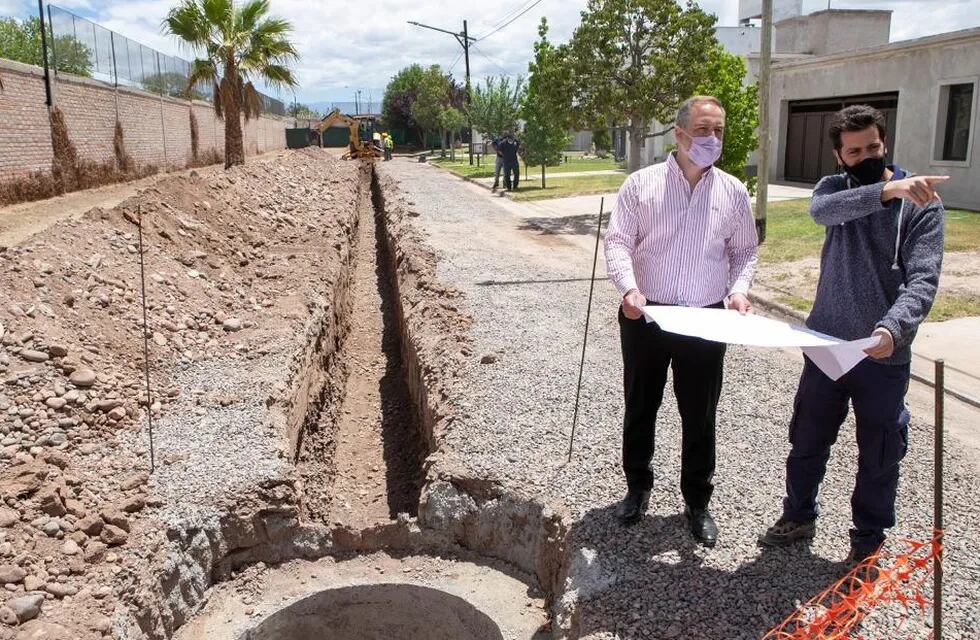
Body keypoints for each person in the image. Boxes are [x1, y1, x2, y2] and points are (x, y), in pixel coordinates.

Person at [761, 105, 946, 564]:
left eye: (874, 147)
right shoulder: (833, 189)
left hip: (882, 354)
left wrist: (892, 329)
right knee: (807, 439)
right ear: (838, 156)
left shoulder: (921, 204)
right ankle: (799, 514)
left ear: (885, 143)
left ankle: (867, 541)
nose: (865, 155)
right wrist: (885, 190)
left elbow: (923, 280)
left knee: (880, 454)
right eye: (854, 151)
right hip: (826, 347)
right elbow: (821, 212)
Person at [604, 96, 758, 546]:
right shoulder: (641, 185)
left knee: (700, 413)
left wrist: (738, 290)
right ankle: (637, 487)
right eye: (704, 130)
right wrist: (629, 289)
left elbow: (744, 250)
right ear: (680, 134)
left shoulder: (732, 191)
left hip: (706, 318)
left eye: (719, 131)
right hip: (646, 313)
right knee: (641, 404)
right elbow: (618, 242)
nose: (712, 139)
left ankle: (697, 500)